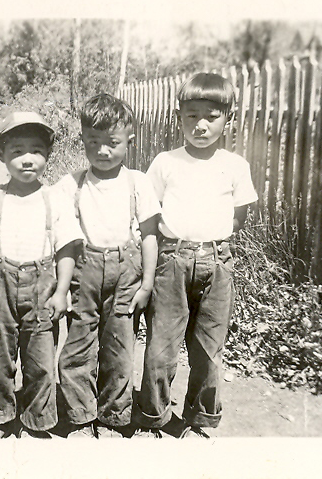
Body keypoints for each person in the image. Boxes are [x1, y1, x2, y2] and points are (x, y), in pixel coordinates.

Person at [134, 73, 258, 439]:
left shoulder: (235, 165)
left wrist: (212, 245)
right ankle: (153, 416)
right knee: (161, 346)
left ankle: (200, 418)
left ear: (228, 119)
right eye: (192, 116)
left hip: (217, 263)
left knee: (208, 349)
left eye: (211, 116)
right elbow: (150, 215)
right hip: (172, 261)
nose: (201, 125)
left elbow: (239, 216)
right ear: (179, 117)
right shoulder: (165, 162)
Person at [54, 94, 161, 438]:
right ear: (83, 139)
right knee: (79, 347)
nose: (102, 150)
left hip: (125, 273)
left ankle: (114, 416)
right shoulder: (71, 184)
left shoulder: (137, 183)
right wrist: (62, 284)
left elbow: (148, 236)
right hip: (85, 272)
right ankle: (81, 417)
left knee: (119, 346)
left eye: (112, 143)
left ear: (129, 140)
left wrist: (146, 284)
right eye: (93, 142)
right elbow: (63, 240)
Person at [0, 112, 83, 439]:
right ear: (1, 155)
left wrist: (62, 291)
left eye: (36, 150)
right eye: (17, 151)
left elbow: (66, 250)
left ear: (48, 154)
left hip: (42, 286)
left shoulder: (56, 200)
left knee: (41, 360)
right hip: (0, 283)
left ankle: (38, 420)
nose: (27, 159)